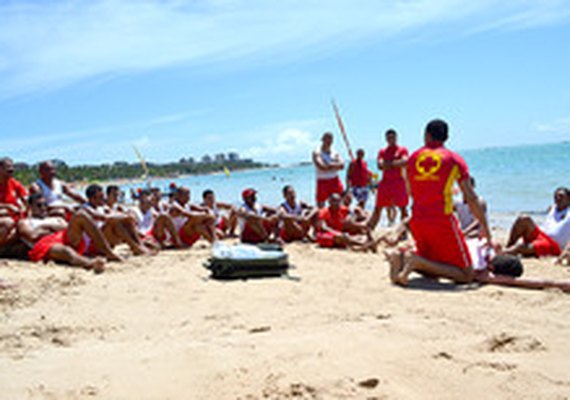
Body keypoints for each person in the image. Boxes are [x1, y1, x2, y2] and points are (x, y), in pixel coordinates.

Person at [386, 119, 491, 286]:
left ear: (426, 136)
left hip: (418, 220)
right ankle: (415, 262)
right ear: (446, 137)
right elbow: (470, 197)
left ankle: (400, 258)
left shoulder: (412, 158)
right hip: (442, 220)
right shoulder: (454, 159)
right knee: (466, 274)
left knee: (434, 266)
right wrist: (485, 227)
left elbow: (410, 191)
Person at [18, 193, 122, 272]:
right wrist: (52, 227)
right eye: (39, 205)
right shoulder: (25, 221)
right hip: (44, 245)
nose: (43, 208)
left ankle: (108, 253)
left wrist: (45, 227)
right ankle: (90, 263)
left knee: (81, 215)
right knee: (65, 250)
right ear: (30, 207)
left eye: (45, 204)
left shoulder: (55, 218)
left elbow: (66, 227)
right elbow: (32, 236)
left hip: (63, 236)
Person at [81, 184, 153, 256]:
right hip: (92, 245)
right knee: (115, 222)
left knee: (126, 221)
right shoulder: (86, 208)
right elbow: (103, 217)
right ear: (93, 198)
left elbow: (115, 214)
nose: (104, 199)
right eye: (101, 197)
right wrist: (125, 216)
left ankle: (139, 244)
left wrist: (127, 217)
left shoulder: (101, 207)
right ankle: (135, 247)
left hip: (104, 240)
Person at [503, 187, 570, 259]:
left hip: (553, 245)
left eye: (561, 196)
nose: (558, 198)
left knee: (520, 247)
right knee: (523, 219)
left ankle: (502, 253)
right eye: (555, 196)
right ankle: (509, 247)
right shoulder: (553, 208)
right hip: (541, 235)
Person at [369, 129, 409, 230]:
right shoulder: (383, 151)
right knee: (378, 208)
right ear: (386, 139)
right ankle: (369, 230)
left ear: (396, 138)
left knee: (403, 209)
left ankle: (405, 232)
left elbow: (405, 162)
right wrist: (395, 163)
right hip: (385, 182)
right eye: (389, 138)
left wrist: (388, 164)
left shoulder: (402, 150)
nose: (391, 139)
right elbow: (379, 165)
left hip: (398, 182)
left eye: (393, 137)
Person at [313, 132, 345, 208]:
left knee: (341, 202)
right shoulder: (317, 152)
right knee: (321, 206)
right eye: (327, 139)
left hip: (334, 180)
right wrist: (335, 165)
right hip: (322, 181)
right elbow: (321, 166)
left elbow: (342, 165)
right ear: (322, 139)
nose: (329, 141)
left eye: (330, 139)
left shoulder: (335, 152)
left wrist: (329, 165)